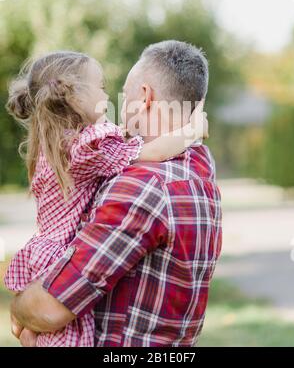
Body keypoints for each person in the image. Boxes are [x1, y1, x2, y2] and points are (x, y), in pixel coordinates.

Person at [10, 40, 222, 347]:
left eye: (121, 91)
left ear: (145, 97)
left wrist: (20, 308)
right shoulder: (200, 174)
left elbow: (49, 308)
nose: (113, 102)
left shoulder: (142, 186)